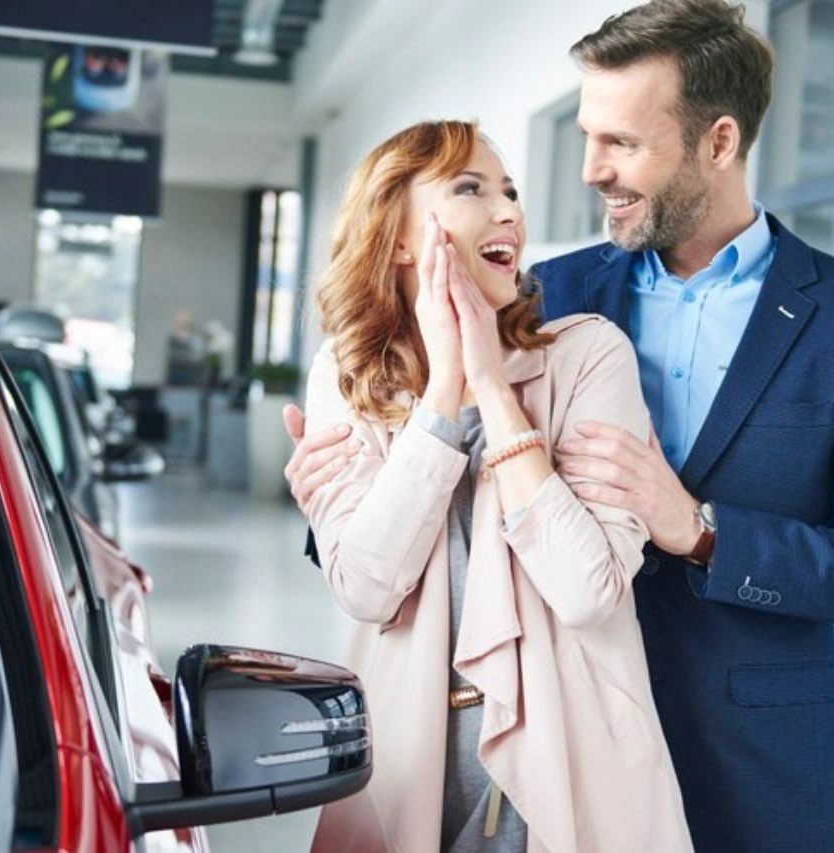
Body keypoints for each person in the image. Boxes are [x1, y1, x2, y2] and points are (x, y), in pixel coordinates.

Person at [285, 2, 834, 852]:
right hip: (554, 747)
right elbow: (430, 504)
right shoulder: (543, 298)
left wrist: (703, 533)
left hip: (758, 767)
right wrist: (326, 497)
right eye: (588, 136)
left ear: (718, 142)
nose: (591, 170)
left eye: (621, 143)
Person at [299, 120, 692, 853]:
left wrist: (490, 383)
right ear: (398, 236)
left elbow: (588, 591)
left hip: (573, 764)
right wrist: (444, 389)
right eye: (471, 189)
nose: (509, 209)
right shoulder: (347, 375)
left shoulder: (587, 355)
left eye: (510, 191)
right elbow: (367, 587)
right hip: (406, 766)